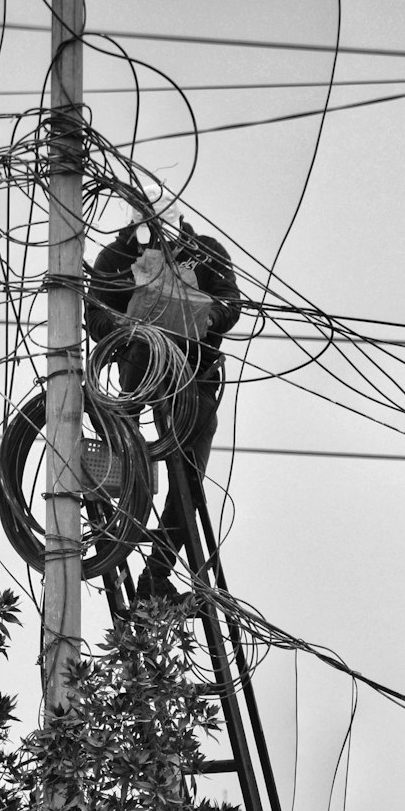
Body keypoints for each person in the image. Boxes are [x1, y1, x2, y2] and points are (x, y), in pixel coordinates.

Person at [86, 186, 241, 601]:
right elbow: (94, 316)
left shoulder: (203, 251)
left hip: (195, 375)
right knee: (135, 462)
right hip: (141, 373)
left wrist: (206, 315)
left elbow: (230, 303)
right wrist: (130, 327)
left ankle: (156, 573)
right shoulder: (116, 258)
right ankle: (120, 525)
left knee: (188, 476)